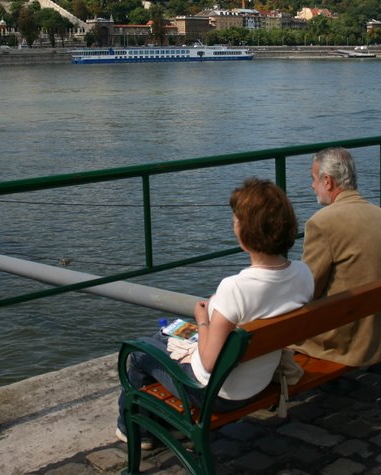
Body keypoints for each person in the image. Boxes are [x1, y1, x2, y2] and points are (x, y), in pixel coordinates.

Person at [117, 177, 314, 447]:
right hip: (260, 380)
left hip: (218, 394)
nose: (234, 225)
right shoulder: (304, 274)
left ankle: (136, 432)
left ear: (247, 232)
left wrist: (202, 320)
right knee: (164, 337)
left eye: (237, 220)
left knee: (140, 354)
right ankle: (166, 423)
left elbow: (208, 363)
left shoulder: (234, 288)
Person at [293, 147, 381, 367]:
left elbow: (308, 289)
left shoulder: (322, 222)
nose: (311, 185)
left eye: (313, 179)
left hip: (351, 340)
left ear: (327, 181)